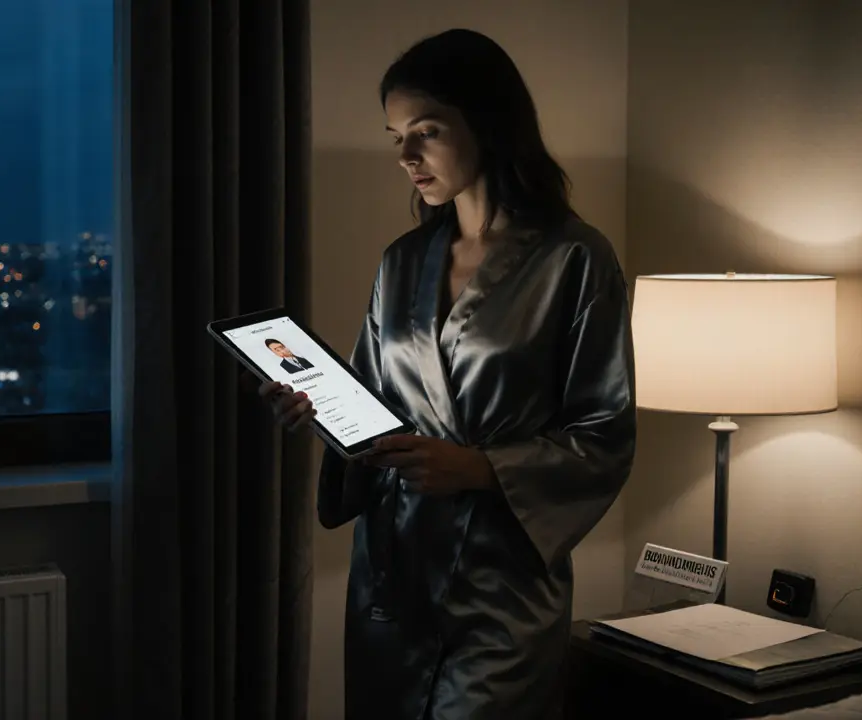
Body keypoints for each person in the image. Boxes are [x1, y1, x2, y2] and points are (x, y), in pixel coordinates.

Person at [258, 28, 636, 719]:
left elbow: (604, 431)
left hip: (502, 586)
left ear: (488, 124)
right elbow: (378, 410)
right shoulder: (402, 262)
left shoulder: (574, 260)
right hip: (393, 575)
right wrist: (322, 411)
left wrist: (481, 468)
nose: (404, 154)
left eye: (425, 131)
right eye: (396, 135)